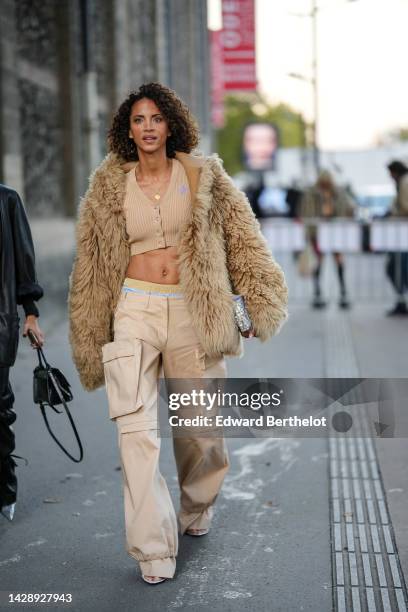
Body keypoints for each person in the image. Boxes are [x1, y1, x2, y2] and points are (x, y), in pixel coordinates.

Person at [68, 82, 288, 584]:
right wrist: (89, 328)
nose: (147, 128)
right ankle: (152, 549)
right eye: (138, 120)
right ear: (128, 129)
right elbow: (92, 263)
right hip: (134, 310)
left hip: (192, 310)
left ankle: (197, 502)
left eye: (156, 118)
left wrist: (256, 302)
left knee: (199, 430)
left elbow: (243, 238)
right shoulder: (108, 185)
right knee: (136, 433)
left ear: (171, 125)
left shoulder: (202, 174)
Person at [0, 185, 44, 521]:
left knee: (0, 409)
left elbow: (22, 260)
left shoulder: (7, 200)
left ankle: (5, 488)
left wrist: (30, 314)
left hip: (0, 322)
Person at [300, 169, 356, 309]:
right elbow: (307, 212)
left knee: (338, 260)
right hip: (319, 231)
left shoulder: (337, 192)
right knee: (318, 262)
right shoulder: (312, 193)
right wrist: (310, 233)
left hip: (334, 230)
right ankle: (318, 293)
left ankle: (343, 292)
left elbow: (348, 207)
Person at [385, 160, 408, 315]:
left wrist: (393, 213)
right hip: (401, 234)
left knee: (398, 268)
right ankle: (401, 301)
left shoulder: (404, 183)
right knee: (397, 268)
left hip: (403, 234)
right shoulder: (403, 182)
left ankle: (401, 302)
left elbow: (405, 208)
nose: (390, 176)